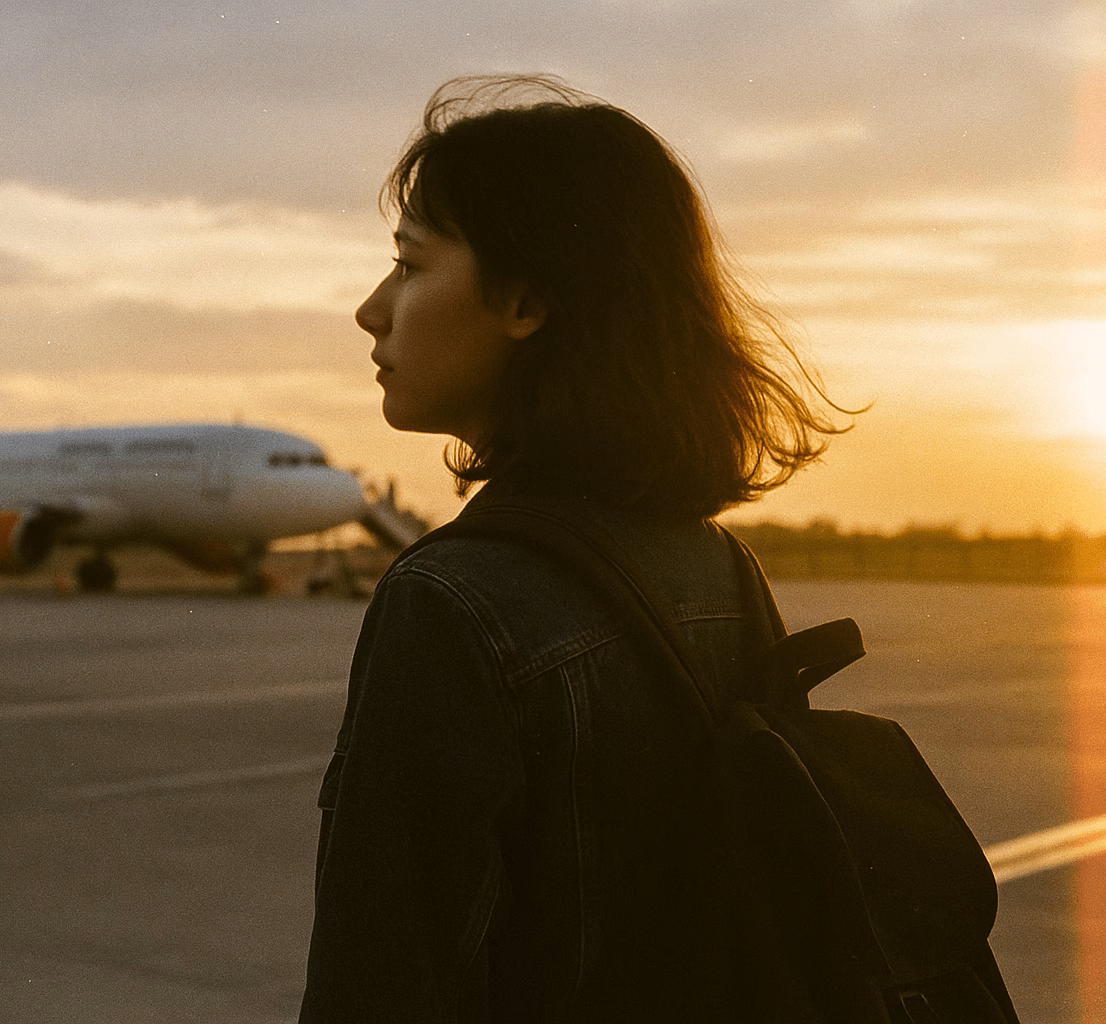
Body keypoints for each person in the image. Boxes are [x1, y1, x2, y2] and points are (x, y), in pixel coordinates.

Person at [299, 75, 848, 1022]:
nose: (372, 310)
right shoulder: (721, 565)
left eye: (410, 266)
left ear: (525, 300)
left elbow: (386, 978)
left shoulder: (452, 598)